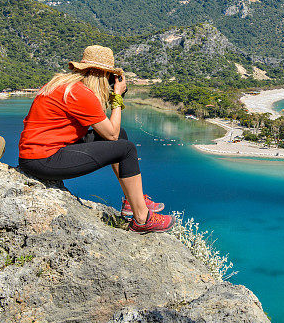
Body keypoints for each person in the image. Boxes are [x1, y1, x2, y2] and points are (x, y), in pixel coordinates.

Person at [18, 45, 173, 233]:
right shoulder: (80, 93)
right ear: (102, 75)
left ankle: (133, 202)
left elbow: (112, 133)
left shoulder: (64, 84)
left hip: (38, 153)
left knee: (121, 137)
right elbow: (111, 134)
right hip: (44, 160)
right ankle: (142, 219)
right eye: (109, 77)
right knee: (126, 148)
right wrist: (117, 96)